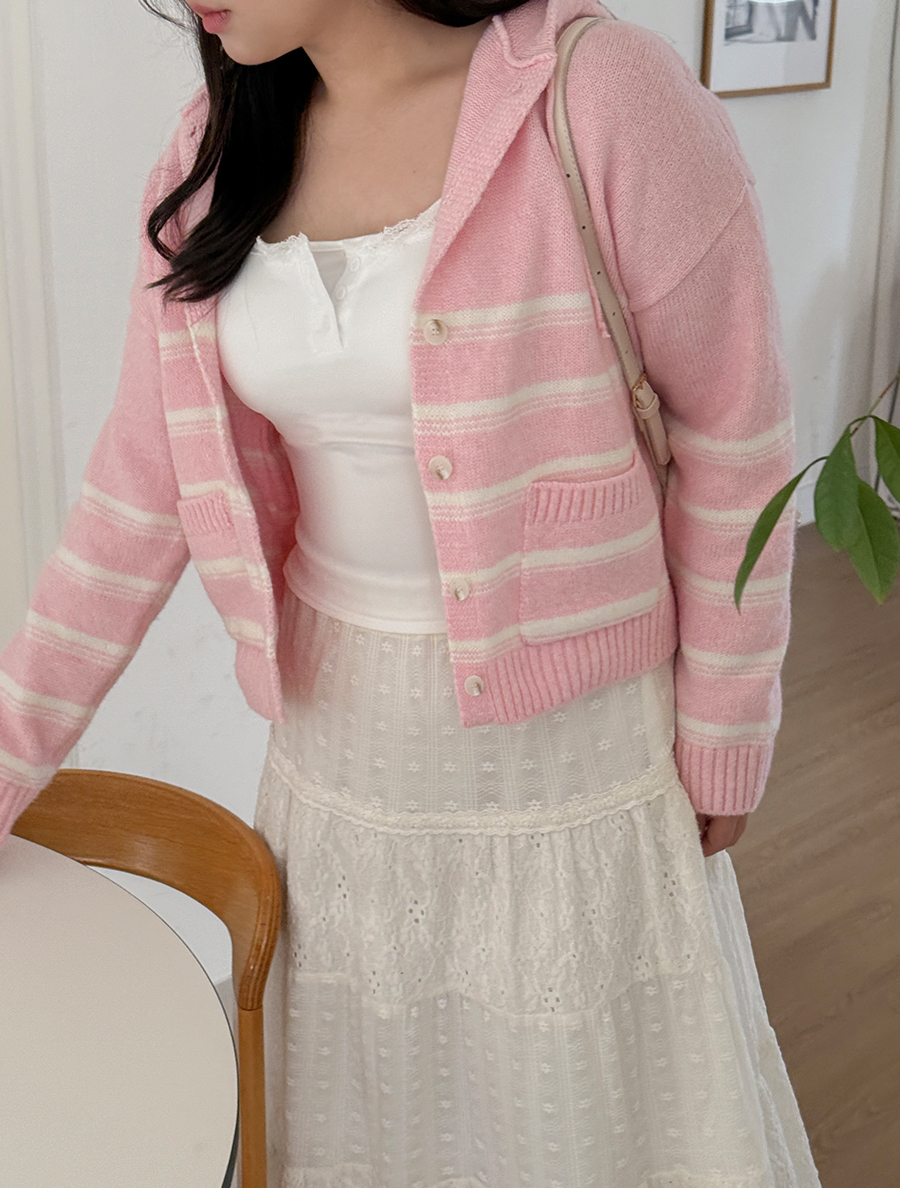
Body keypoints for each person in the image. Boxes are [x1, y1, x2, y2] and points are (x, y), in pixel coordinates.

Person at [0, 0, 822, 1183]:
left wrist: (728, 726)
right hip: (340, 752)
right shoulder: (209, 153)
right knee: (378, 1117)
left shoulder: (598, 94)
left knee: (580, 1118)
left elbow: (737, 434)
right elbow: (134, 502)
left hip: (572, 753)